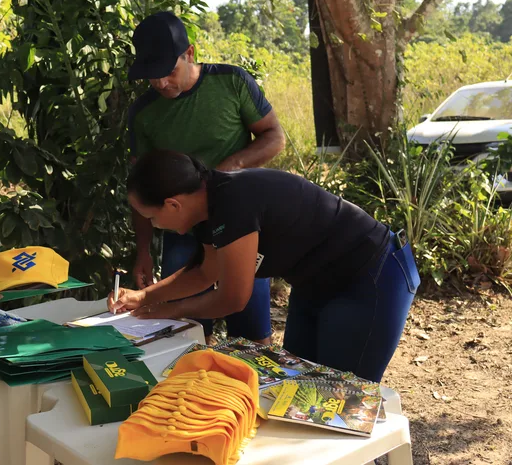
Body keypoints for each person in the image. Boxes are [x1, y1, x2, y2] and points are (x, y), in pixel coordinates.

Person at [109, 150, 420, 383]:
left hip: (370, 275)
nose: (155, 225)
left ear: (173, 204)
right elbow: (205, 272)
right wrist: (144, 297)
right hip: (315, 284)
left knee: (341, 396)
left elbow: (233, 298)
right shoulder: (208, 207)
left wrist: (171, 310)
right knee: (300, 386)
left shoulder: (232, 204)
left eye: (152, 218)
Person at [127, 11, 285, 344]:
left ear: (190, 54)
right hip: (182, 227)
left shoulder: (231, 82)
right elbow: (143, 189)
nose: (161, 84)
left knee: (252, 330)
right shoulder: (143, 112)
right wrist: (143, 250)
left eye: (169, 73)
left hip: (242, 222)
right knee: (183, 331)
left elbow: (274, 137)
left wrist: (226, 172)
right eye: (151, 77)